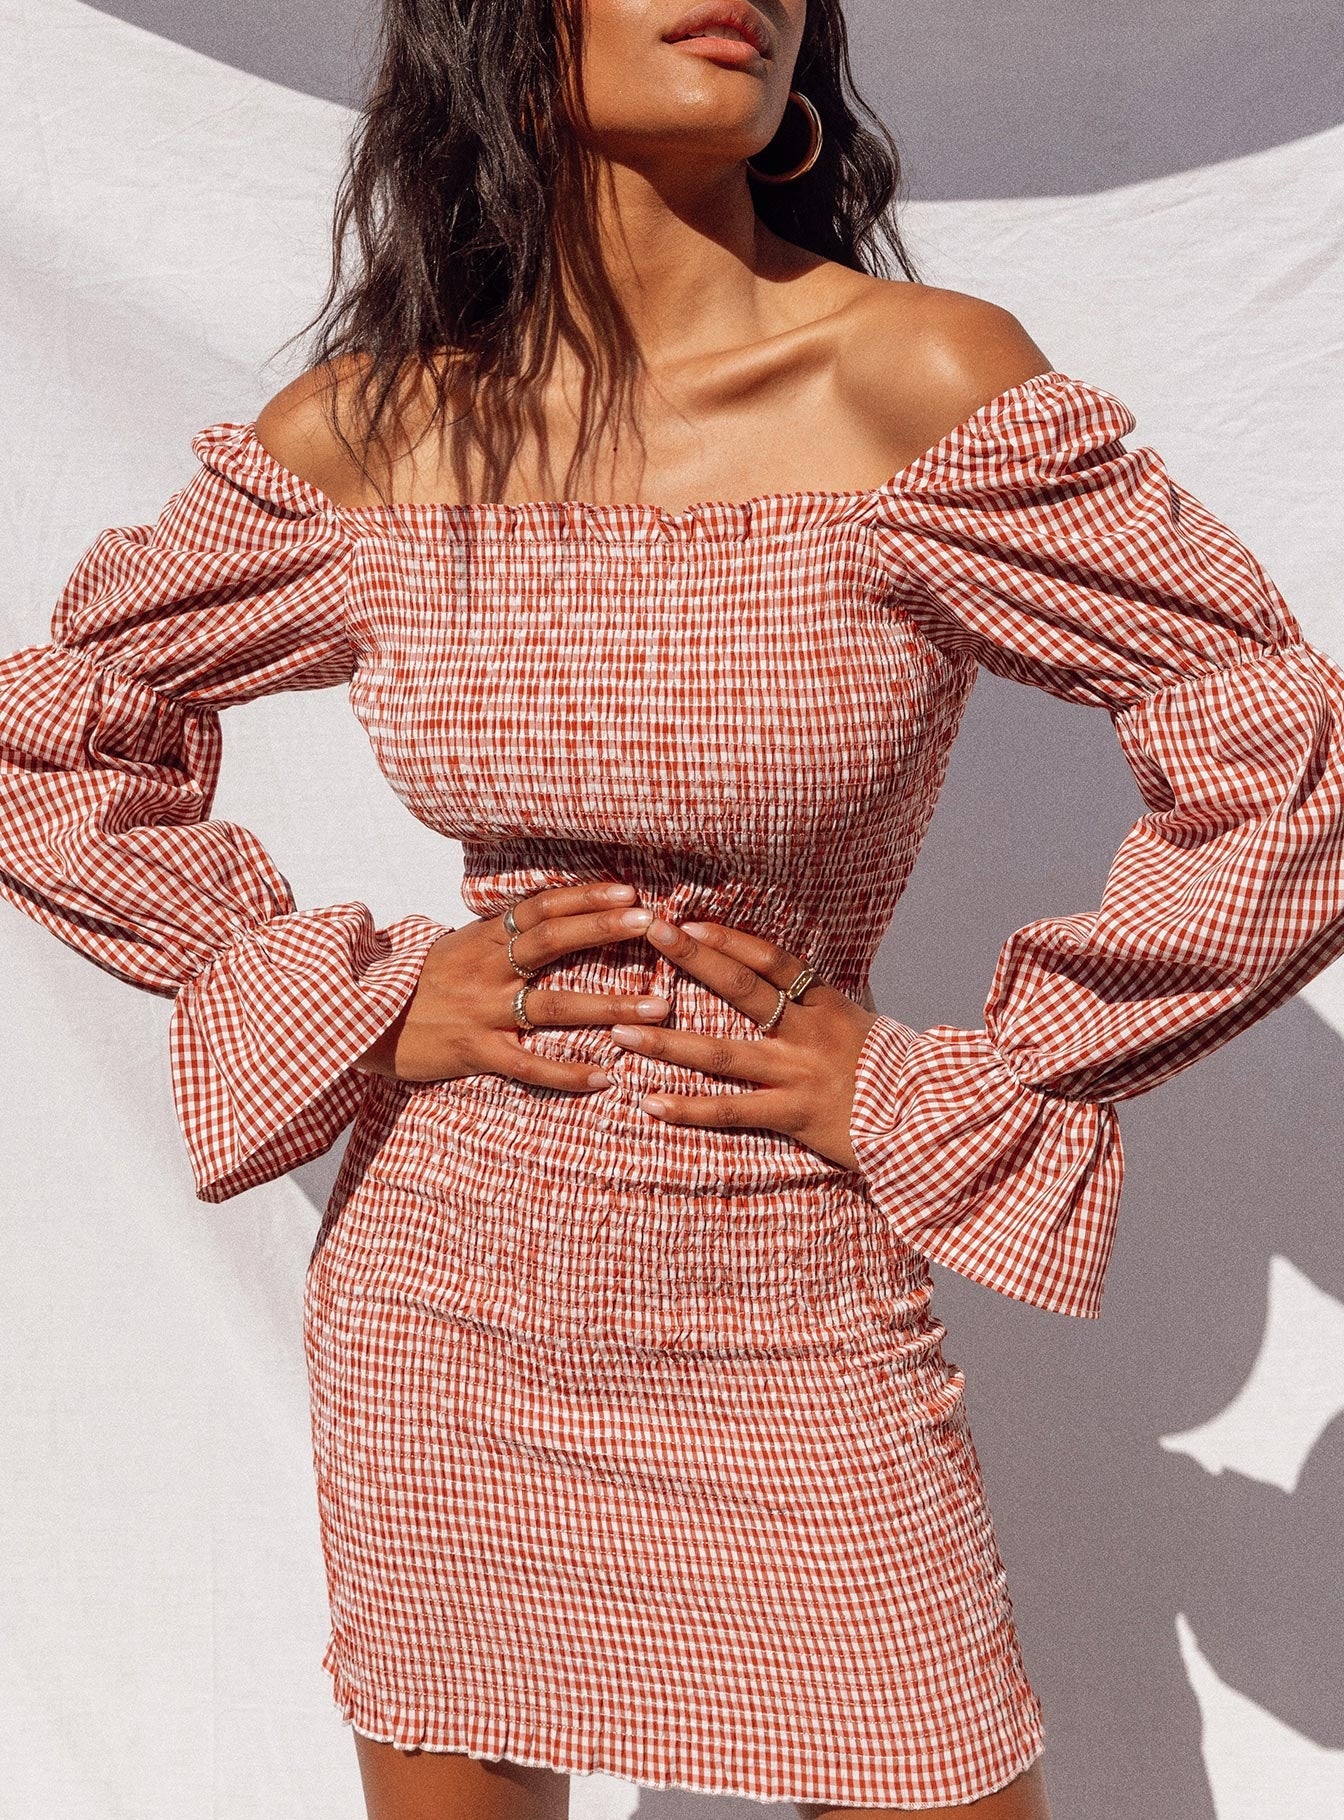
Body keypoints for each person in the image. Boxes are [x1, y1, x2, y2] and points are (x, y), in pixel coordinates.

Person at [3, 1, 1343, 1816]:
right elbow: (56, 742)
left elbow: (1291, 767)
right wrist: (353, 997)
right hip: (451, 1297)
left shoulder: (918, 385)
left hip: (795, 1270)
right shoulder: (385, 434)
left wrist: (972, 1078)